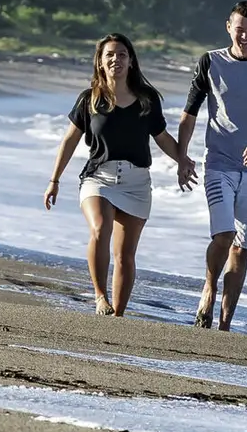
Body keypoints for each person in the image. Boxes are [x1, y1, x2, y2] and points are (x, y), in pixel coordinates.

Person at [45, 33, 194, 316]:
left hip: (137, 182)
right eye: (110, 55)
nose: (116, 59)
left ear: (131, 60)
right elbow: (69, 141)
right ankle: (101, 297)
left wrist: (183, 161)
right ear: (100, 62)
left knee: (125, 255)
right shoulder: (89, 100)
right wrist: (54, 180)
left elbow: (162, 138)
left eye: (122, 54)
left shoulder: (147, 100)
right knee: (101, 229)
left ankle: (118, 315)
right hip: (98, 178)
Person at [177, 0, 247, 331]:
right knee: (223, 236)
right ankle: (208, 289)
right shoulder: (210, 62)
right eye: (240, 30)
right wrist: (182, 157)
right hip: (219, 165)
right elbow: (190, 112)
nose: (245, 37)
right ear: (229, 27)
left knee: (242, 248)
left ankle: (225, 324)